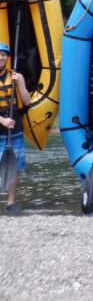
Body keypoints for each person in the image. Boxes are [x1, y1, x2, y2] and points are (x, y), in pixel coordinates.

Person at [0, 42, 31, 212]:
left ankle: (11, 203)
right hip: (1, 122)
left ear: (7, 57)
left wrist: (19, 83)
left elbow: (26, 101)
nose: (0, 57)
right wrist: (2, 120)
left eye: (3, 54)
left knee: (15, 163)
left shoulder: (16, 76)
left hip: (14, 122)